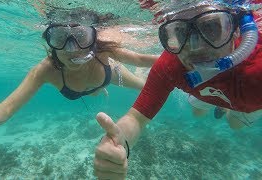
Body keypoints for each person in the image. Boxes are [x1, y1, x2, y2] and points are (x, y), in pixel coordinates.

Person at [93, 0, 262, 179]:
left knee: (234, 125)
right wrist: (119, 143)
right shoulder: (170, 66)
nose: (196, 46)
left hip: (246, 105)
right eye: (181, 32)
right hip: (205, 96)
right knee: (198, 113)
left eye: (211, 27)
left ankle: (225, 107)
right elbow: (137, 117)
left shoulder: (257, 70)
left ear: (235, 28)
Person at [0, 22, 159, 152]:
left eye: (81, 36)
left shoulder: (103, 52)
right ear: (50, 42)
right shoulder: (45, 70)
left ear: (92, 38)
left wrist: (173, 59)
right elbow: (6, 108)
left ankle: (109, 85)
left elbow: (140, 58)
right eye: (60, 38)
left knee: (142, 85)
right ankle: (97, 90)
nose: (72, 48)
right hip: (90, 88)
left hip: (110, 74)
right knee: (93, 91)